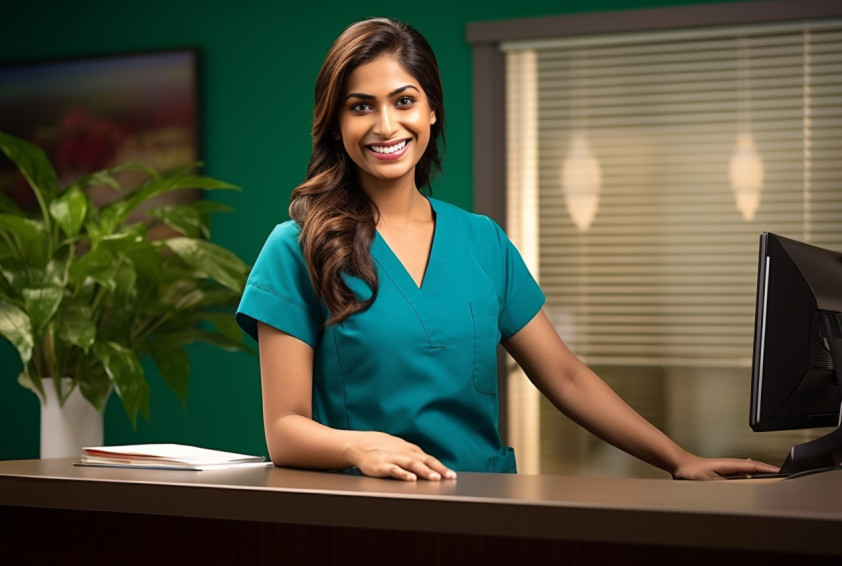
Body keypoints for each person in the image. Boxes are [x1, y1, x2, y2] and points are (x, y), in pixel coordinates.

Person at [236, 17, 779, 482]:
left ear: (430, 113)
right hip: (368, 516)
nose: (385, 125)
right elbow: (285, 430)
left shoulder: (482, 241)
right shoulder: (297, 248)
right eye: (361, 106)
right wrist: (362, 447)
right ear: (336, 123)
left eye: (404, 100)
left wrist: (679, 459)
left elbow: (565, 376)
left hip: (487, 509)